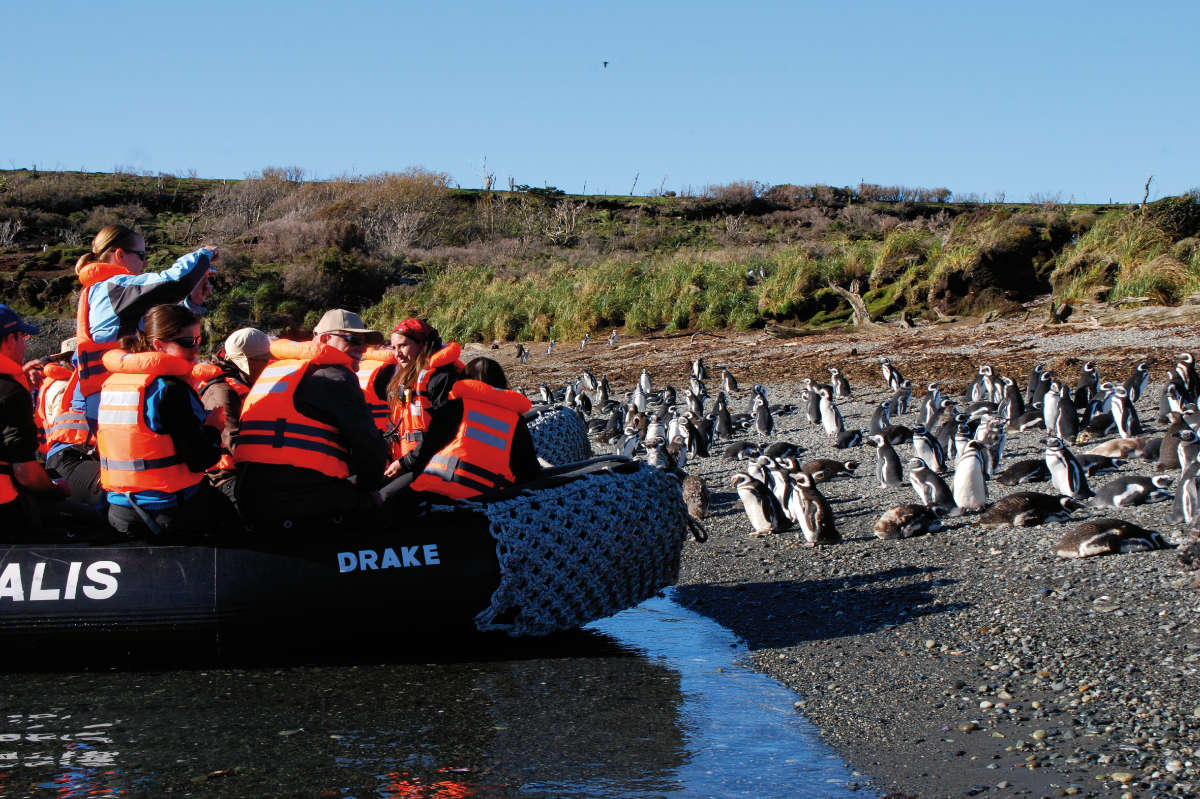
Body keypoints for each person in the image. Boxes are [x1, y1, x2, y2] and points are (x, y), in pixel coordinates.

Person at [47, 225, 218, 508]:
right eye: (141, 255)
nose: (145, 263)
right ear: (119, 255)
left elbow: (164, 327)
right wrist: (204, 255)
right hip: (79, 452)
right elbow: (175, 281)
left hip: (94, 442)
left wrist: (194, 303)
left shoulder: (112, 298)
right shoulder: (113, 288)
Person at [233, 309, 389, 532]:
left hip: (249, 494)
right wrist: (369, 486)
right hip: (297, 499)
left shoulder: (277, 370)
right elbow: (369, 448)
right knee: (374, 505)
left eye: (364, 342)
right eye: (353, 340)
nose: (362, 348)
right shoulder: (337, 376)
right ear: (325, 339)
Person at [96, 304, 233, 539]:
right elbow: (201, 460)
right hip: (167, 512)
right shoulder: (169, 390)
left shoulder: (115, 383)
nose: (196, 348)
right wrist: (213, 427)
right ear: (159, 345)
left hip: (120, 511)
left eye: (199, 339)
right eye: (187, 342)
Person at [390, 357, 542, 503]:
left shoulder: (453, 408)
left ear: (463, 380)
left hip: (435, 492)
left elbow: (426, 450)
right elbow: (529, 472)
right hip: (487, 500)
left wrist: (403, 463)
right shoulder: (515, 420)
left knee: (387, 500)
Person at [0, 306, 71, 533]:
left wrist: (19, 377)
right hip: (5, 508)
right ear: (10, 338)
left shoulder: (11, 387)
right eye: (23, 336)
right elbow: (26, 473)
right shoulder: (10, 391)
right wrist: (55, 489)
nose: (25, 344)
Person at [191, 327, 271, 500]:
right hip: (224, 477)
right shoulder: (221, 392)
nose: (266, 366)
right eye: (262, 361)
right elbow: (231, 441)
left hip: (245, 468)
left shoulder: (240, 381)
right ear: (245, 362)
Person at [384, 318, 464, 477]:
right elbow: (394, 425)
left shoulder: (442, 378)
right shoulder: (404, 378)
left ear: (422, 344)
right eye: (393, 348)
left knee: (383, 499)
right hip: (405, 462)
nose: (397, 354)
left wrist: (407, 462)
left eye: (403, 346)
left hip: (432, 465)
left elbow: (443, 431)